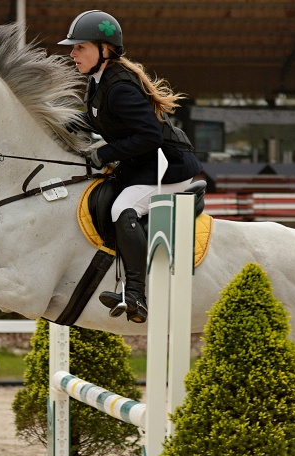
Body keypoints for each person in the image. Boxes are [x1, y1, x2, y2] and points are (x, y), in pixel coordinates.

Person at [59, 10, 201, 324]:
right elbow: (99, 118)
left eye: (80, 47)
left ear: (104, 49)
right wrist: (59, 122)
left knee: (122, 209)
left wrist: (104, 153)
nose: (72, 53)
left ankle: (135, 293)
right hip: (142, 165)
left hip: (167, 168)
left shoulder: (119, 86)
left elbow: (149, 135)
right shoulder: (98, 81)